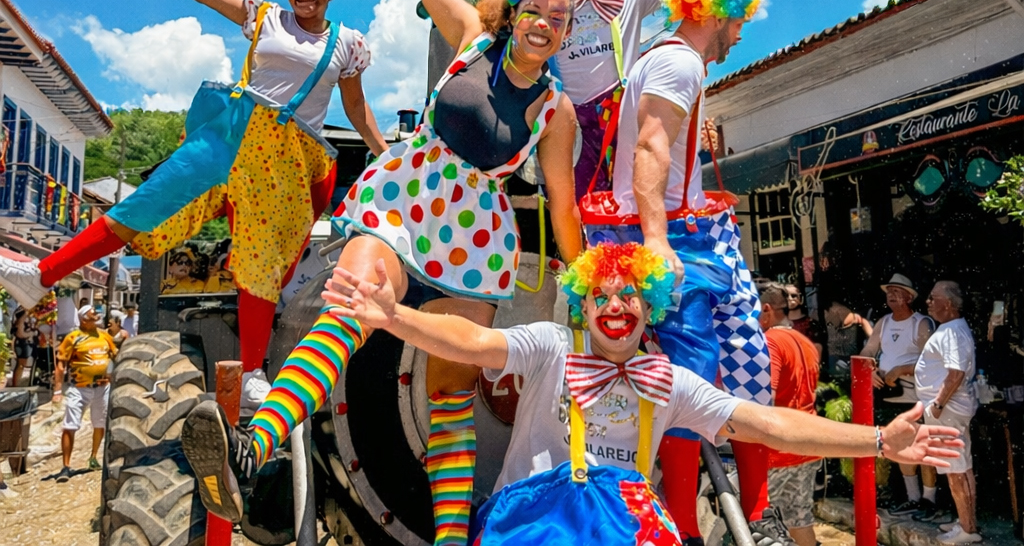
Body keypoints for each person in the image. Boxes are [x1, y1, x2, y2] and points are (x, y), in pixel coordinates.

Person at [182, 0, 582, 546]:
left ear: (566, 33)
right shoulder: (468, 38)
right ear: (515, 13)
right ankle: (256, 444)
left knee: (453, 397)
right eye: (536, 12)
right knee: (352, 298)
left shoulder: (557, 110)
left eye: (559, 19)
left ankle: (451, 541)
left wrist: (589, 281)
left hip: (476, 236)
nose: (544, 25)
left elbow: (564, 209)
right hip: (408, 196)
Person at [180, 241, 964, 546]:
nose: (617, 309)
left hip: (623, 528)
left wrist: (877, 441)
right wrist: (397, 319)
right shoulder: (551, 348)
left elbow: (767, 424)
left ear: (645, 309)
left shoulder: (672, 380)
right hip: (536, 522)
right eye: (604, 297)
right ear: (585, 305)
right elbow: (476, 344)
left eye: (631, 298)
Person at [0, 0, 387, 415]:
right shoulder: (264, 16)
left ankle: (250, 373)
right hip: (231, 131)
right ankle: (40, 275)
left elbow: (356, 108)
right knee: (146, 204)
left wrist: (388, 155)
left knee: (261, 261)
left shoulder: (347, 43)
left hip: (284, 154)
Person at [583, 0, 776, 545]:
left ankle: (727, 513)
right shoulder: (678, 60)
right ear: (715, 12)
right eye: (738, 20)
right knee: (711, 365)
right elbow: (650, 144)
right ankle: (702, 526)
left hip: (669, 226)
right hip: (671, 235)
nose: (740, 34)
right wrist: (659, 238)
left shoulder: (662, 57)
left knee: (724, 362)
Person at [553, 0, 774, 200]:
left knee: (625, 201)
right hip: (570, 122)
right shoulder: (549, 5)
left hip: (620, 116)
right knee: (572, 203)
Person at [856, 273, 937, 516]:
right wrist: (869, 370)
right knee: (900, 446)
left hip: (916, 396)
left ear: (909, 297)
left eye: (897, 291)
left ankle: (929, 500)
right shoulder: (883, 322)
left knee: (923, 446)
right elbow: (868, 351)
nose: (891, 295)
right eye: (889, 291)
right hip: (890, 395)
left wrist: (901, 369)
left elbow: (931, 361)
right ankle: (912, 497)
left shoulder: (921, 323)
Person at [915, 281, 979, 544]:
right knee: (961, 467)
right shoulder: (951, 329)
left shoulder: (952, 331)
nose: (928, 302)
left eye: (933, 298)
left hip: (948, 409)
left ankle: (967, 530)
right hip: (948, 409)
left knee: (956, 470)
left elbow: (955, 374)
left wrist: (938, 405)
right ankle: (966, 523)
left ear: (949, 304)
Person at [760, 284, 821, 546]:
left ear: (766, 310)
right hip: (807, 443)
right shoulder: (804, 341)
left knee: (759, 522)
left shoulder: (771, 341)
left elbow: (766, 396)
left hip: (779, 449)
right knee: (799, 517)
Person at [53, 305, 118, 481]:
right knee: (70, 425)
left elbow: (115, 355)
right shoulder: (73, 338)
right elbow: (61, 364)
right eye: (92, 314)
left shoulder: (104, 336)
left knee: (100, 423)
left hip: (102, 387)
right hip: (79, 387)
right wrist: (57, 390)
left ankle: (94, 457)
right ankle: (65, 466)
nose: (96, 316)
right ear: (83, 319)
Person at [7, 306, 37, 387]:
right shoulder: (22, 313)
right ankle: (16, 384)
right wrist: (32, 334)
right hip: (22, 342)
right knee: (21, 365)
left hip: (26, 341)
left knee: (24, 364)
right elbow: (20, 332)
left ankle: (21, 383)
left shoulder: (26, 312)